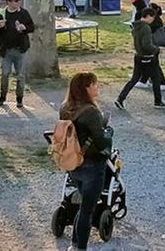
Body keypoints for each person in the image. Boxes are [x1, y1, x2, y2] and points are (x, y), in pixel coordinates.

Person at [59, 72, 112, 251]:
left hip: (74, 163)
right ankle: (79, 247)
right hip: (93, 165)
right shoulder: (91, 112)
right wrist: (109, 132)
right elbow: (101, 142)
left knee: (84, 207)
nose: (97, 87)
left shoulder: (65, 108)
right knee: (87, 210)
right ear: (85, 88)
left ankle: (75, 244)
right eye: (94, 84)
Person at [114, 8, 165, 110]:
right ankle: (158, 101)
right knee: (156, 78)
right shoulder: (146, 28)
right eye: (152, 17)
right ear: (148, 16)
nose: (152, 20)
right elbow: (146, 44)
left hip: (138, 56)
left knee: (134, 79)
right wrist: (156, 49)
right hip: (148, 57)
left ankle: (120, 98)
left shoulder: (136, 26)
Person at [0, 0, 35, 108]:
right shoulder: (2, 14)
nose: (18, 2)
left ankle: (19, 99)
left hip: (20, 49)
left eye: (19, 0)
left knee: (20, 75)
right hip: (6, 50)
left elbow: (32, 27)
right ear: (9, 2)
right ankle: (2, 96)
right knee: (5, 74)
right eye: (16, 0)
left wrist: (24, 27)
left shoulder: (23, 13)